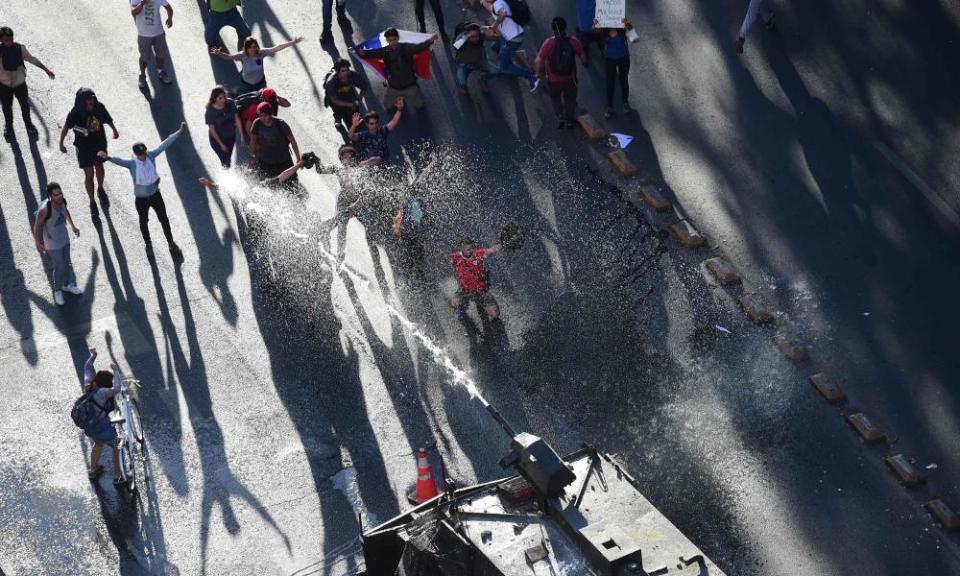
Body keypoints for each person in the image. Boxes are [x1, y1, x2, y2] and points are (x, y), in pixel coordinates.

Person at [98, 122, 187, 258]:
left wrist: (178, 132)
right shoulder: (132, 164)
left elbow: (164, 144)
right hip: (141, 200)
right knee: (143, 221)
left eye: (144, 153)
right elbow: (118, 160)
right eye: (140, 154)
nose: (143, 156)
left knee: (164, 219)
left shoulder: (151, 155)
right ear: (135, 154)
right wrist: (107, 157)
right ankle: (148, 245)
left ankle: (171, 243)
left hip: (156, 195)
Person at [59, 88, 119, 214]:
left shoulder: (99, 107)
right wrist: (61, 143)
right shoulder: (75, 113)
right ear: (82, 102)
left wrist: (114, 130)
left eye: (92, 98)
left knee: (100, 167)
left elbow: (107, 119)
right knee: (89, 175)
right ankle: (92, 201)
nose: (91, 101)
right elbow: (65, 128)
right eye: (88, 99)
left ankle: (101, 188)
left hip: (99, 144)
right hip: (84, 148)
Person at [353, 28, 437, 112]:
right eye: (390, 40)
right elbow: (372, 53)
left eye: (394, 39)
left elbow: (419, 47)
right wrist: (363, 53)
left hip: (409, 84)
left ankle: (405, 97)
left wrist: (430, 40)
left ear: (398, 38)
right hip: (394, 85)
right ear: (387, 40)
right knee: (388, 106)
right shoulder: (385, 50)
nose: (392, 42)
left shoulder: (406, 47)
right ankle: (400, 97)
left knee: (420, 105)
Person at [0, 27, 55, 140]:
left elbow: (32, 59)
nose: (9, 42)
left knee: (25, 106)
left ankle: (28, 125)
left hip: (20, 84)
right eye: (6, 40)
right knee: (6, 108)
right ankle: (9, 127)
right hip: (4, 85)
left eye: (10, 39)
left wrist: (46, 69)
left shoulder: (20, 49)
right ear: (1, 40)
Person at [33, 182, 82, 306]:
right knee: (59, 266)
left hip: (64, 238)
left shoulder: (63, 202)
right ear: (50, 196)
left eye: (60, 193)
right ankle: (58, 290)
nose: (59, 196)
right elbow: (37, 226)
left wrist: (73, 226)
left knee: (67, 263)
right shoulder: (45, 209)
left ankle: (67, 285)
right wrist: (38, 242)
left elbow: (66, 212)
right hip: (52, 243)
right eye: (56, 195)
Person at [81, 348, 124, 486]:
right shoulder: (103, 392)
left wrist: (93, 355)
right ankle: (118, 476)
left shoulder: (89, 384)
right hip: (102, 426)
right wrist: (116, 371)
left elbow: (87, 366)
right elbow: (117, 389)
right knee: (116, 446)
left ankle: (93, 470)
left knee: (98, 443)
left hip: (89, 426)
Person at [535, 17, 587, 128]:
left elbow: (538, 60)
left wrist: (538, 73)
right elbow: (582, 56)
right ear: (565, 27)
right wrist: (584, 62)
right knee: (570, 99)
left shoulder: (549, 43)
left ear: (553, 29)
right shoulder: (573, 41)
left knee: (555, 98)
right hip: (570, 78)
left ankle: (560, 116)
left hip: (553, 80)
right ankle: (569, 120)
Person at [480, 0, 539, 93]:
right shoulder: (497, 3)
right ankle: (506, 58)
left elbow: (502, 14)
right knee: (494, 47)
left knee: (504, 67)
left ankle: (530, 75)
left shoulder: (497, 4)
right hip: (509, 35)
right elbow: (490, 8)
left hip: (513, 39)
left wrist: (494, 26)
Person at [210, 35, 304, 93]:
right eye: (250, 47)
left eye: (254, 47)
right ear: (246, 48)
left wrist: (293, 42)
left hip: (261, 84)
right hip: (246, 85)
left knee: (264, 104)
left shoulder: (261, 53)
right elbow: (229, 57)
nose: (253, 49)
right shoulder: (242, 55)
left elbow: (276, 48)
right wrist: (220, 53)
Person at [446, 238, 502, 321]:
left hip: (481, 291)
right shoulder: (456, 257)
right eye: (465, 247)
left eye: (469, 247)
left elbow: (491, 251)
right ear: (461, 248)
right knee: (453, 302)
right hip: (465, 291)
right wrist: (433, 252)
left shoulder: (478, 254)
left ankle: (487, 315)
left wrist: (501, 245)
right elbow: (444, 258)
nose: (468, 250)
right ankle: (461, 309)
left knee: (495, 313)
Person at [249, 102, 301, 181]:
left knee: (293, 184)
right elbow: (253, 140)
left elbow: (292, 141)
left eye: (265, 115)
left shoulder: (281, 124)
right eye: (260, 116)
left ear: (270, 114)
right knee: (267, 186)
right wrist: (252, 155)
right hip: (266, 162)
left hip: (284, 161)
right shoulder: (257, 123)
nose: (263, 118)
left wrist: (298, 158)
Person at [131, 0, 174, 88]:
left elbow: (169, 8)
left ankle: (161, 71)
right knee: (144, 58)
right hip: (144, 35)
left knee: (161, 55)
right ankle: (142, 75)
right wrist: (142, 3)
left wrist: (170, 18)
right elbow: (134, 12)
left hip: (159, 33)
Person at [347, 100, 403, 164]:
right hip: (369, 165)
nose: (374, 125)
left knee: (376, 159)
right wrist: (354, 125)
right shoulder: (364, 135)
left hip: (384, 164)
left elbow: (394, 122)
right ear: (367, 124)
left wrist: (399, 110)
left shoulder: (382, 131)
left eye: (376, 123)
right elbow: (351, 136)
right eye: (371, 123)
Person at [598, 19, 633, 118]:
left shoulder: (622, 24)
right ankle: (609, 107)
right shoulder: (603, 26)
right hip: (609, 59)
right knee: (610, 82)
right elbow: (596, 33)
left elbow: (633, 38)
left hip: (623, 57)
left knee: (623, 80)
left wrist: (628, 25)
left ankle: (625, 103)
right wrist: (597, 26)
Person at [324, 58, 368, 130]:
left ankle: (356, 121)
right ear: (337, 72)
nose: (346, 72)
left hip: (348, 93)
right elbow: (334, 100)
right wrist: (350, 104)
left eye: (347, 69)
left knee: (355, 109)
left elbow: (364, 86)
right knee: (338, 110)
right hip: (335, 97)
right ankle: (338, 119)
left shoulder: (352, 74)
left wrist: (359, 99)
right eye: (343, 71)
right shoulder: (331, 82)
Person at [204, 86, 243, 168]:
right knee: (225, 161)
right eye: (220, 98)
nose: (223, 100)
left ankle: (226, 171)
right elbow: (212, 130)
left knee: (228, 159)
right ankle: (227, 176)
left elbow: (237, 119)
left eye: (224, 97)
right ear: (214, 99)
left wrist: (242, 136)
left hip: (230, 136)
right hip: (217, 140)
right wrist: (221, 144)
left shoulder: (230, 103)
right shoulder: (210, 111)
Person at [393, 195, 427, 281]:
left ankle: (411, 280)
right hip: (412, 236)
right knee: (414, 262)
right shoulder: (413, 203)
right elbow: (417, 219)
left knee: (411, 262)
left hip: (409, 236)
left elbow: (416, 219)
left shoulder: (410, 203)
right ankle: (414, 280)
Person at [453, 23, 494, 93]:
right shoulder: (461, 38)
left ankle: (482, 80)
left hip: (479, 62)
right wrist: (467, 37)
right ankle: (463, 86)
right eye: (472, 37)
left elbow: (494, 37)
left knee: (494, 71)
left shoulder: (480, 36)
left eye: (477, 36)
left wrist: (492, 31)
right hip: (464, 66)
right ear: (466, 34)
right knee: (461, 82)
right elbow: (456, 46)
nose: (475, 39)